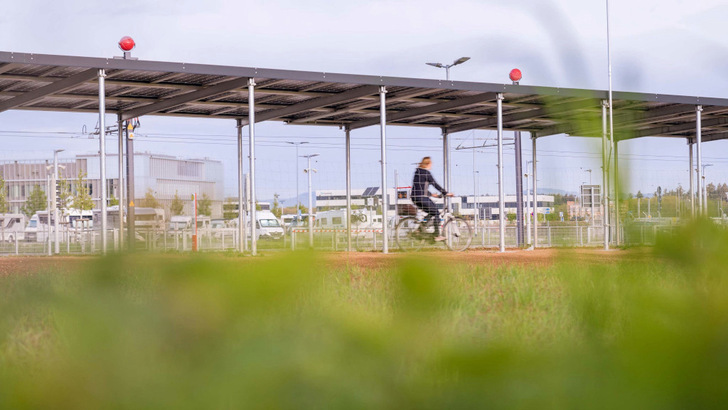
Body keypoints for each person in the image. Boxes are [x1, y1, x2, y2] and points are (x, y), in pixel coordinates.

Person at [411, 156, 454, 241]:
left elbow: (419, 187)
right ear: (427, 164)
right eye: (431, 164)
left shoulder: (417, 172)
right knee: (436, 212)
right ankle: (437, 235)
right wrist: (445, 193)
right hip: (422, 198)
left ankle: (419, 229)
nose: (431, 166)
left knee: (431, 212)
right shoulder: (426, 173)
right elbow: (435, 184)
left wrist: (431, 194)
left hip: (414, 198)